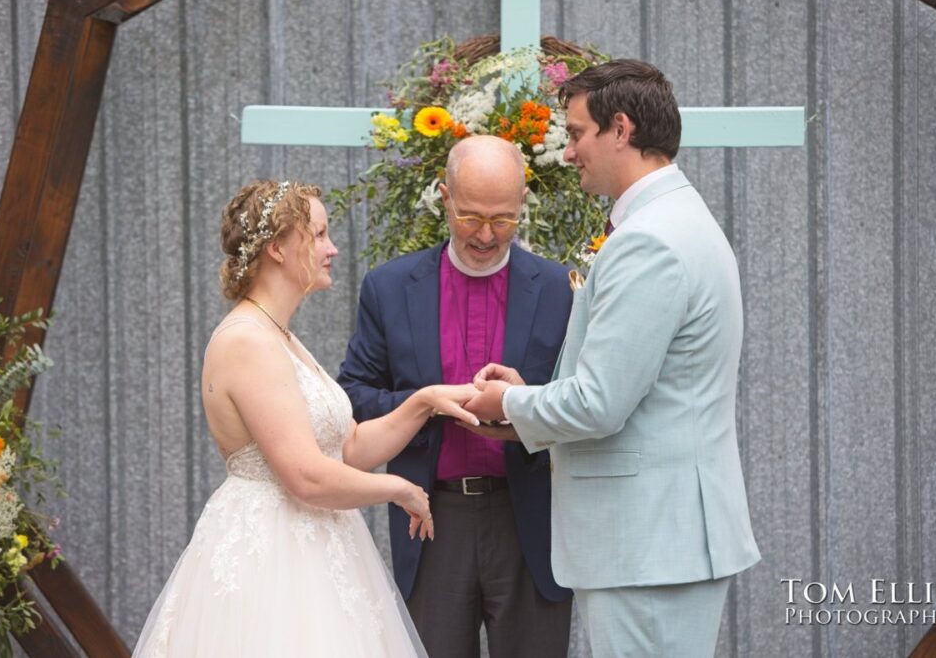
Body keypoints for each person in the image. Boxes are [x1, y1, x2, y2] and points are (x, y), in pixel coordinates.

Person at [466, 60, 761, 657]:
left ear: (620, 129)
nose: (568, 152)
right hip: (662, 539)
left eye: (577, 134)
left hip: (648, 543)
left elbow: (600, 403)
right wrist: (530, 400)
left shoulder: (648, 241)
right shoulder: (679, 219)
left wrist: (509, 402)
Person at [133, 180, 480, 657]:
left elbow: (349, 448)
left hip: (319, 544)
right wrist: (398, 489)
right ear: (277, 248)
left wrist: (423, 402)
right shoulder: (246, 341)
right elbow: (305, 476)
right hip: (272, 559)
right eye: (318, 235)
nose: (332, 248)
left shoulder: (280, 336)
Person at [337, 135, 574, 657]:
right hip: (430, 519)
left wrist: (526, 400)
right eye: (470, 217)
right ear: (443, 197)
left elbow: (582, 400)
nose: (486, 235)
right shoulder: (389, 288)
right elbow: (352, 397)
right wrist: (424, 403)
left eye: (503, 219)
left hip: (530, 517)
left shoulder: (561, 289)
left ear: (522, 203)